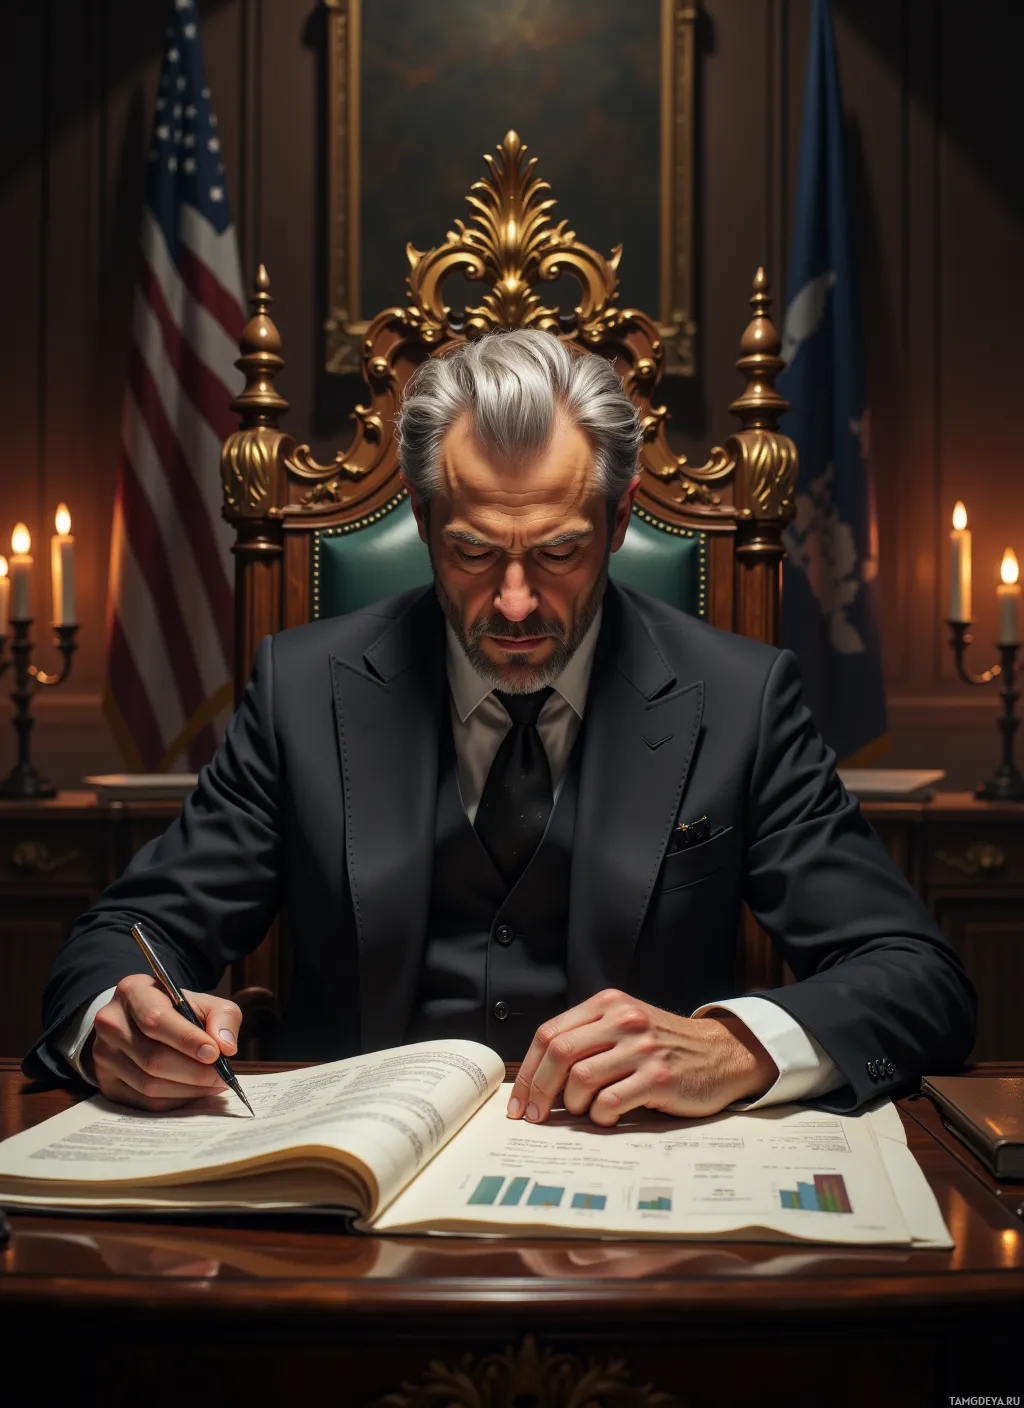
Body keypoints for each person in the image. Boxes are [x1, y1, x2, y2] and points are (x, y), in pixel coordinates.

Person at [24, 330, 975, 1127]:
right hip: (342, 1193)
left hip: (639, 1195)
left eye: (558, 550)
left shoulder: (742, 697)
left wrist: (735, 1046)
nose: (515, 603)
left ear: (617, 521)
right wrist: (121, 1016)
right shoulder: (300, 688)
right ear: (426, 517)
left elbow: (916, 975)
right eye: (474, 550)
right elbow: (127, 933)